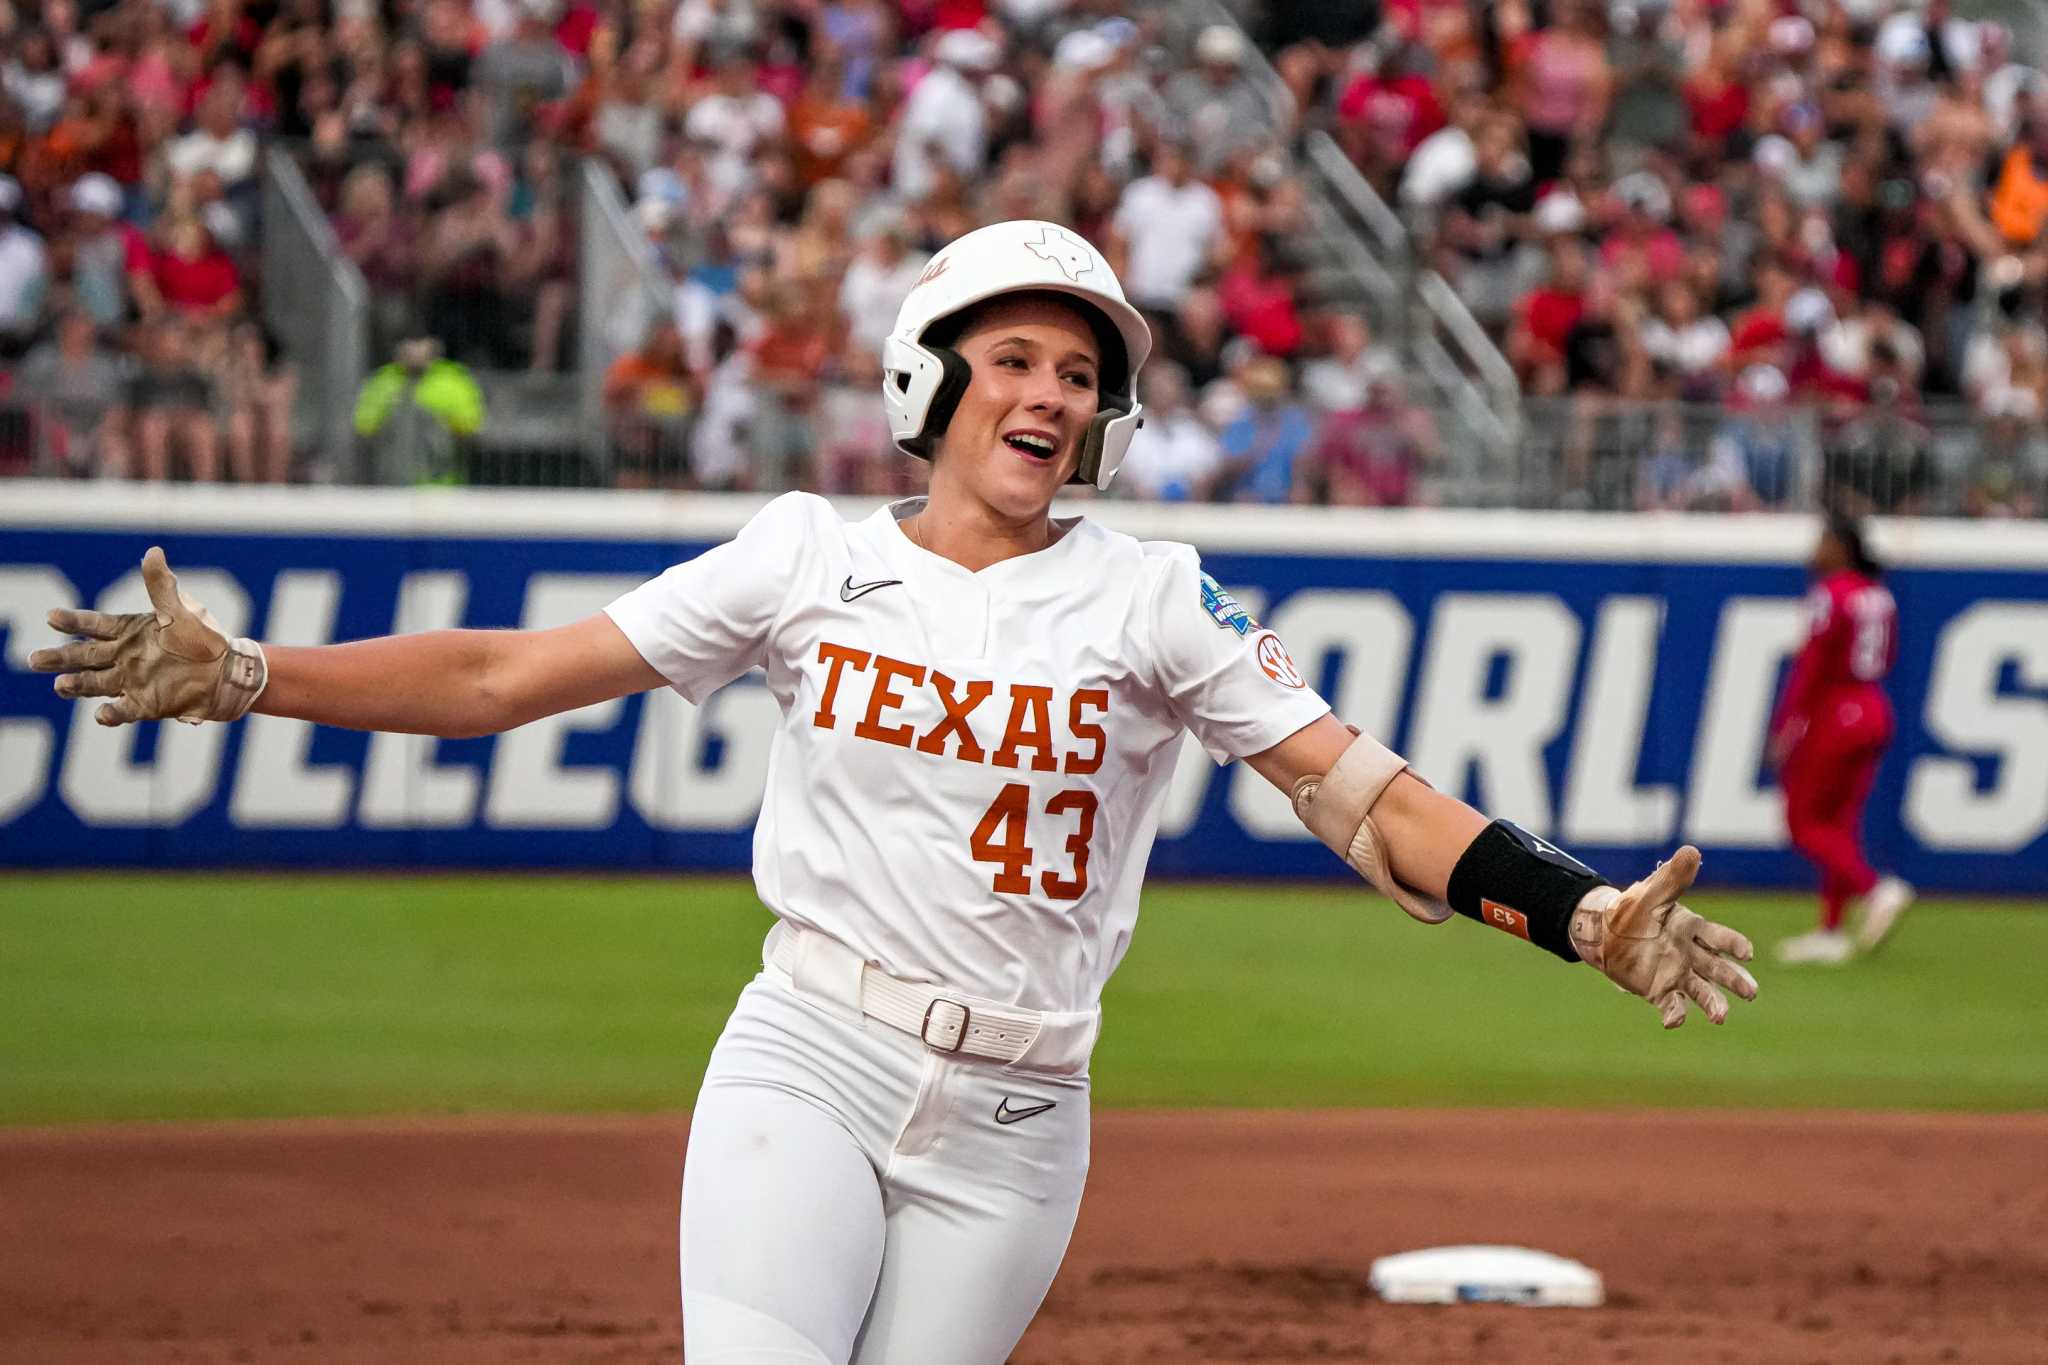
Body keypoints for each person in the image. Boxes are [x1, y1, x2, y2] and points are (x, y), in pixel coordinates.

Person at [30, 219, 1756, 1365]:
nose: (1049, 393)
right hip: (813, 1054)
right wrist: (254, 674)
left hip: (1021, 1122)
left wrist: (1580, 912)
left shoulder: (1158, 598)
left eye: (1078, 374)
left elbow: (1369, 795)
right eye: (1015, 357)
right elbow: (502, 677)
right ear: (929, 377)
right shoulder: (801, 559)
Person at [1770, 514, 1914, 965]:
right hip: (1874, 707)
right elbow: (1889, 655)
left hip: (1836, 712)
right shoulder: (1878, 594)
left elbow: (1811, 665)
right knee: (1839, 825)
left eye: (1822, 541)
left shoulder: (1831, 593)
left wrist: (1785, 726)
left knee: (1803, 822)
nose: (1814, 551)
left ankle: (1875, 889)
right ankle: (1831, 929)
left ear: (1840, 546)